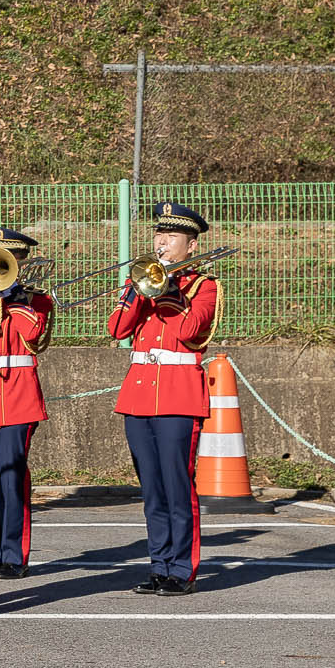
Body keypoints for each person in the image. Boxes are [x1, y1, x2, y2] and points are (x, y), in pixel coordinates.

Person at [110, 201, 221, 596]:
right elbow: (117, 326)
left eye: (171, 236)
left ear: (191, 245)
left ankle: (181, 569)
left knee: (177, 485)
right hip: (139, 395)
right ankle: (159, 564)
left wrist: (169, 292)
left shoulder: (203, 286)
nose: (162, 242)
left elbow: (192, 330)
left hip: (179, 396)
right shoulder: (140, 280)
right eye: (159, 234)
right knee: (152, 487)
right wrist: (141, 290)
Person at [0, 225, 54, 580]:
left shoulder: (36, 300)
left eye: (9, 259)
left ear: (21, 262)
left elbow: (33, 336)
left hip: (17, 397)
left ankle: (14, 554)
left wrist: (14, 297)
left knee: (11, 476)